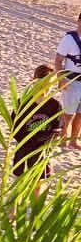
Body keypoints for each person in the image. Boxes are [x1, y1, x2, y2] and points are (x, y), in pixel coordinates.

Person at [11, 64, 61, 180]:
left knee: (38, 183)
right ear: (34, 81)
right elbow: (15, 127)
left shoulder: (54, 105)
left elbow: (56, 129)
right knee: (19, 181)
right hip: (23, 149)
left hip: (42, 150)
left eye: (50, 84)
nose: (46, 87)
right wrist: (27, 142)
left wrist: (43, 143)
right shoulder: (22, 103)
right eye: (43, 83)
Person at [53, 12, 81, 148]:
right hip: (71, 80)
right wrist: (61, 79)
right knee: (68, 114)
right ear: (79, 21)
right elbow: (58, 60)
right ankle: (63, 140)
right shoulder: (69, 39)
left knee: (80, 114)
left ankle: (73, 141)